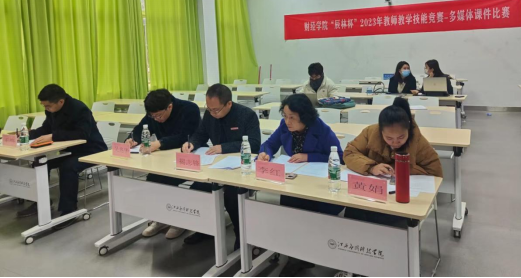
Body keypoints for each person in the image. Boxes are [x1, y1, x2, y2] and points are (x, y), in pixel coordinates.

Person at [335, 97, 443, 278]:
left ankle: (383, 263)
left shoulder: (418, 141)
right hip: (370, 191)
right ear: (381, 131)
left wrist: (403, 168)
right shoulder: (370, 132)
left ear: (408, 130)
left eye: (401, 137)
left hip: (400, 199)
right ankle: (354, 263)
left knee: (384, 219)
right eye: (389, 138)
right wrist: (371, 167)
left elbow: (435, 172)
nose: (395, 142)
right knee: (354, 211)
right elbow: (350, 152)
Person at [258, 94, 344, 277]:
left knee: (302, 214)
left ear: (304, 117)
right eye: (285, 116)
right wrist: (265, 154)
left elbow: (339, 157)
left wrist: (309, 157)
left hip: (318, 186)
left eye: (292, 117)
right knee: (290, 212)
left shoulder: (321, 130)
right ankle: (295, 252)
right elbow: (269, 144)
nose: (287, 121)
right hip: (294, 180)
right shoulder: (284, 126)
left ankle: (300, 256)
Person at [182, 84, 261, 250]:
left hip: (241, 168)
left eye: (216, 110)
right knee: (198, 189)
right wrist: (192, 143)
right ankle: (205, 230)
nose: (212, 113)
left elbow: (254, 144)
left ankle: (242, 235)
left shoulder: (247, 115)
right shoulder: (210, 115)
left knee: (232, 195)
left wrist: (224, 147)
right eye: (209, 109)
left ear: (229, 104)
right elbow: (200, 134)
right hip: (216, 166)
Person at [18, 85, 108, 230]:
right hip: (70, 149)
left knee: (68, 167)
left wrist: (53, 136)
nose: (46, 108)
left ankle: (69, 211)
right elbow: (46, 129)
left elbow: (82, 134)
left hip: (91, 149)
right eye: (44, 106)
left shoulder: (79, 109)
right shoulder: (52, 110)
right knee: (41, 163)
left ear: (61, 101)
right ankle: (41, 202)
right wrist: (28, 135)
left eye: (48, 106)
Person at [125, 89, 201, 240]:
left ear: (169, 107)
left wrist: (159, 143)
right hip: (165, 157)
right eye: (152, 116)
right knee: (153, 179)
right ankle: (161, 218)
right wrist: (131, 139)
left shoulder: (189, 109)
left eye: (159, 115)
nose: (156, 119)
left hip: (189, 156)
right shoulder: (154, 113)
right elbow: (140, 128)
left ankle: (178, 220)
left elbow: (186, 136)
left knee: (167, 179)